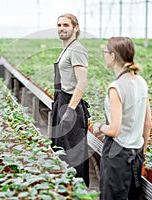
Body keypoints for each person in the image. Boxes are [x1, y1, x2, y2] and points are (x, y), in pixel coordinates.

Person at [93, 37, 152, 199]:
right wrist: (141, 153)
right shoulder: (141, 82)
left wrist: (99, 127)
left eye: (105, 52)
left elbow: (114, 129)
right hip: (136, 156)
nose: (104, 55)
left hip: (117, 158)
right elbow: (148, 123)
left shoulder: (115, 88)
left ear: (112, 56)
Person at [51, 13, 90, 187]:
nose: (61, 28)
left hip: (70, 104)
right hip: (61, 101)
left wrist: (71, 110)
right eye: (59, 25)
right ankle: (65, 189)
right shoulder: (67, 49)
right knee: (61, 150)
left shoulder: (77, 49)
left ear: (75, 28)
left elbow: (82, 82)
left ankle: (76, 190)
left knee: (73, 155)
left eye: (66, 25)